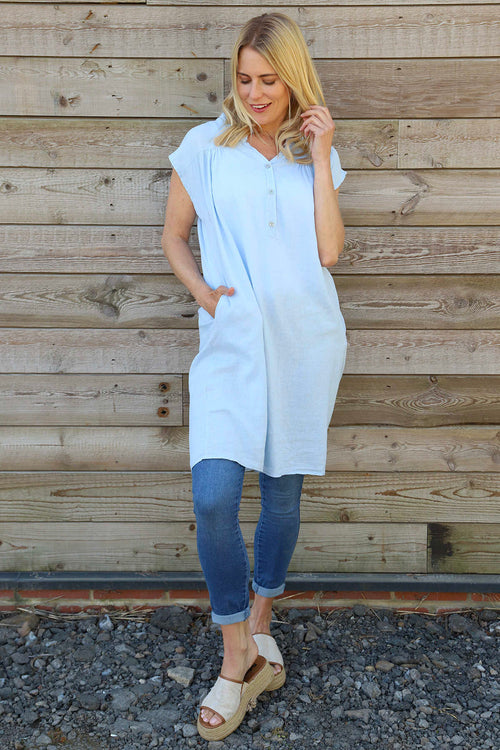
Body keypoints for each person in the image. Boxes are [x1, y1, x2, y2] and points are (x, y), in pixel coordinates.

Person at [162, 11, 348, 740]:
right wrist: (205, 295)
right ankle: (236, 647)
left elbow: (329, 251)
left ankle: (258, 630)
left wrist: (322, 151)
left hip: (304, 342)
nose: (255, 93)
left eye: (270, 79)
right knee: (214, 496)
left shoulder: (313, 152)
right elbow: (174, 236)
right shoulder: (205, 147)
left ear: (293, 79)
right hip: (232, 346)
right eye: (244, 79)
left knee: (281, 496)